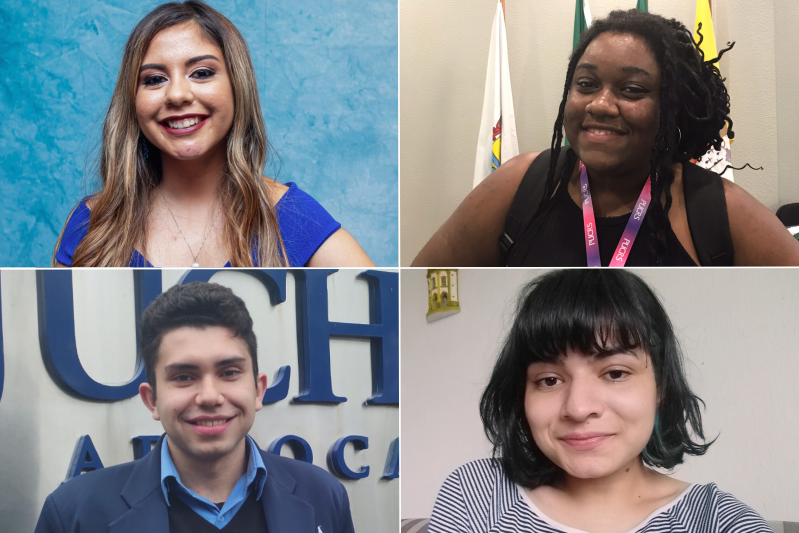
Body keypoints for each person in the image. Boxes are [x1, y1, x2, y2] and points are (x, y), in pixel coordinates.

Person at [412, 10, 799, 267]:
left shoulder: (718, 211)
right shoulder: (519, 185)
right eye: (586, 84)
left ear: (671, 107)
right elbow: (420, 289)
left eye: (631, 89)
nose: (599, 104)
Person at [429, 270, 772, 532]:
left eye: (615, 373)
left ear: (661, 387)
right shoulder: (475, 494)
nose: (578, 408)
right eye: (549, 380)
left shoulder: (719, 521)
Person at [53, 0, 373, 268]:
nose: (177, 95)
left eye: (202, 73)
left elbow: (389, 316)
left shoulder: (293, 218)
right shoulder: (92, 227)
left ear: (237, 86)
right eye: (153, 79)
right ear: (132, 101)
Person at [34, 282, 355, 533]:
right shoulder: (72, 513)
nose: (210, 396)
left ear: (258, 390)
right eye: (184, 376)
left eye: (229, 372)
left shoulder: (324, 495)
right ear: (152, 400)